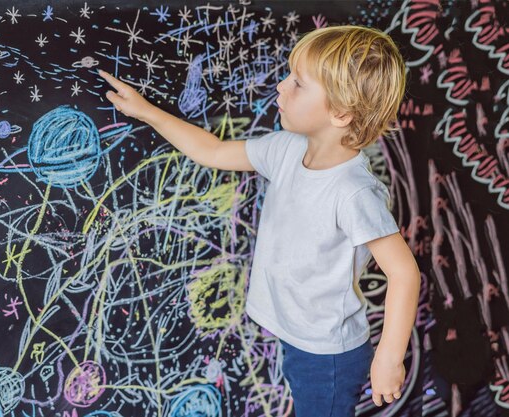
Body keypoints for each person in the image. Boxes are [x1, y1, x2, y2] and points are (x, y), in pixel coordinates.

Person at [98, 24, 421, 417]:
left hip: (327, 356)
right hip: (297, 336)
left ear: (340, 112)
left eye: (298, 84)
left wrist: (389, 357)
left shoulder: (353, 191)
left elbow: (404, 273)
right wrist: (147, 112)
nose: (281, 88)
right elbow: (213, 151)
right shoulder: (286, 149)